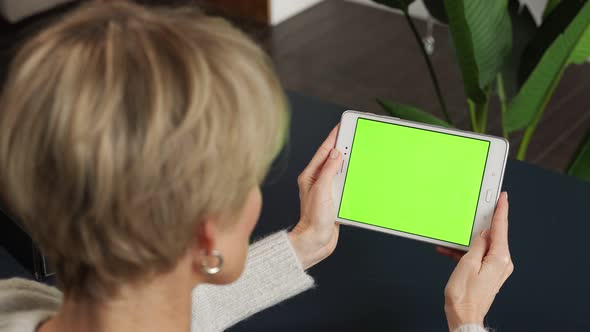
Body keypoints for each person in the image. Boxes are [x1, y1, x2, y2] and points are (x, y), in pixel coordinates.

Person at [0, 2, 513, 332]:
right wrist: (466, 319)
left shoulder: (17, 305)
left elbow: (161, 316)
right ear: (207, 238)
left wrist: (306, 240)